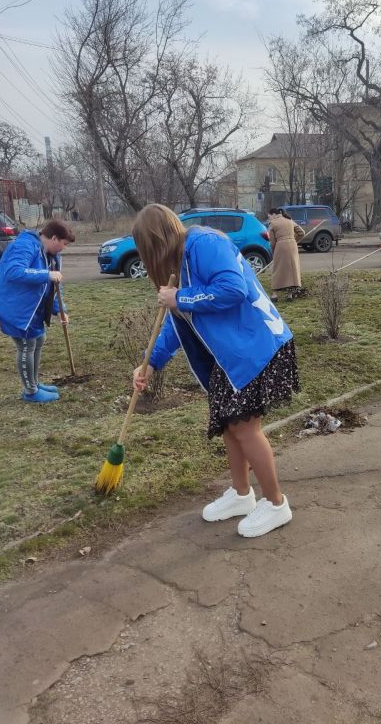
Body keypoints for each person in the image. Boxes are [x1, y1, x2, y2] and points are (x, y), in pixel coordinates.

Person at [131, 204, 299, 538]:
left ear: (155, 242)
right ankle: (241, 495)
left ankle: (276, 503)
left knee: (246, 428)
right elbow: (177, 324)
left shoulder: (204, 244)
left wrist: (182, 297)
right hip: (230, 357)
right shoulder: (178, 264)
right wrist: (151, 362)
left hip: (256, 346)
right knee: (230, 426)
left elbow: (232, 289)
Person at [0, 219, 74, 402]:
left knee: (39, 339)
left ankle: (34, 382)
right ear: (54, 238)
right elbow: (13, 271)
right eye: (64, 244)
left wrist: (60, 310)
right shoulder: (24, 246)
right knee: (27, 344)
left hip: (32, 309)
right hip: (14, 306)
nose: (64, 248)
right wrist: (46, 274)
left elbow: (55, 284)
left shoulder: (53, 255)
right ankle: (30, 391)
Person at [267, 207, 305, 301]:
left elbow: (272, 241)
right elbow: (302, 232)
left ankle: (275, 295)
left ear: (274, 214)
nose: (269, 219)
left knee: (278, 269)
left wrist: (273, 251)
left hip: (280, 246)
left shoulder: (273, 223)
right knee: (291, 270)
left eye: (269, 216)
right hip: (292, 246)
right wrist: (293, 240)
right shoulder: (289, 220)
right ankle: (290, 295)